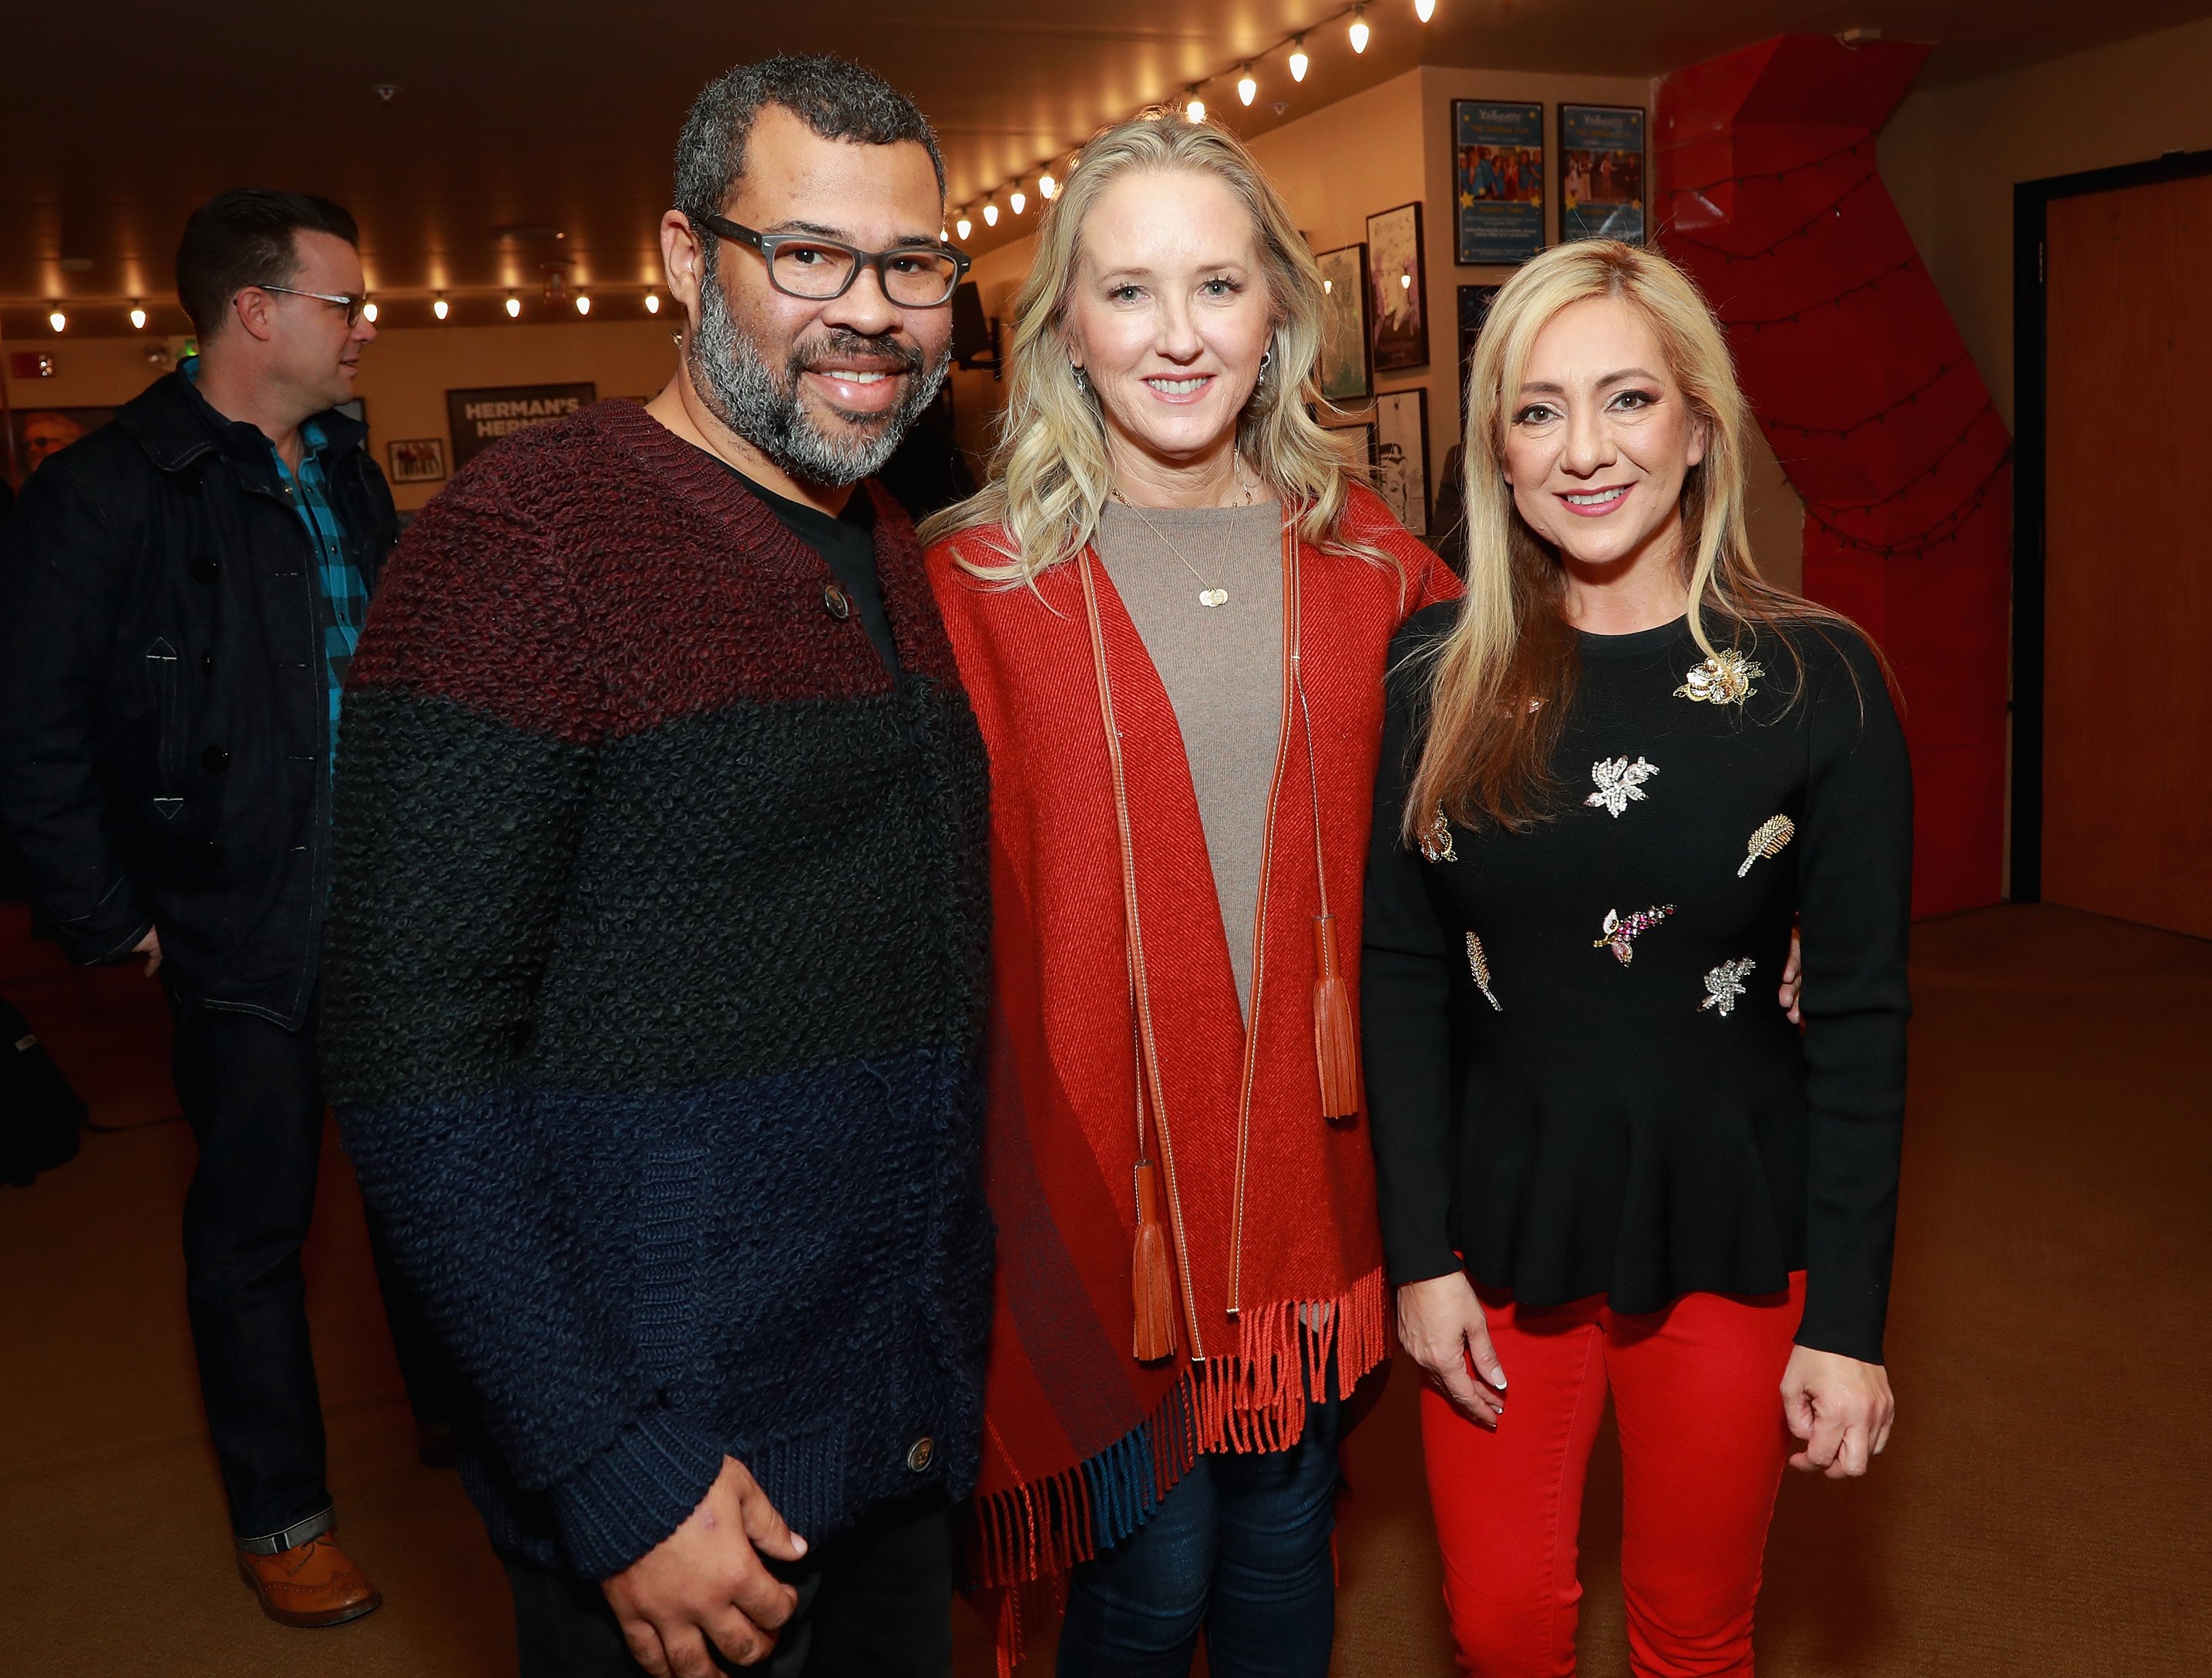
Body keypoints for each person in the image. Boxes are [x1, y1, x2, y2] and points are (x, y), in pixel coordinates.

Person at [321, 55, 992, 1678]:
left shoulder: (890, 537)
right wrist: (608, 1466)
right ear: (690, 259)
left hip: (888, 1432)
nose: (870, 311)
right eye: (810, 255)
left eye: (910, 266)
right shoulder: (522, 544)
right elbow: (410, 1051)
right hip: (683, 1478)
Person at [920, 113, 1458, 1676]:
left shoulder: (1378, 571)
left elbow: (1513, 819)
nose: (1176, 336)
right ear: (1063, 327)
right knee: (1149, 1582)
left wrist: (1743, 933)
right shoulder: (979, 585)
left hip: (1312, 1178)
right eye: (1128, 291)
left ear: (1280, 310)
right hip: (1091, 1192)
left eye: (1216, 287)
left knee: (1290, 1539)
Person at [1364, 239, 1909, 1677]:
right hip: (1495, 1231)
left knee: (1693, 1633)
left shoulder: (1818, 677)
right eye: (1539, 410)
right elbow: (1402, 975)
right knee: (1501, 1626)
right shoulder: (1435, 675)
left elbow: (1859, 1014)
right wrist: (1416, 1256)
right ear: (1497, 446)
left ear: (1698, 426)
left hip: (1733, 1226)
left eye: (1627, 399)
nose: (1585, 449)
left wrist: (1848, 1323)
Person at [0, 189, 398, 1626]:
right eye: (344, 301)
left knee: (438, 1199)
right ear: (256, 312)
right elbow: (31, 737)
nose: (366, 327)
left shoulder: (347, 472)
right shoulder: (103, 493)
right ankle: (282, 1513)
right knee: (252, 1236)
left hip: (396, 918)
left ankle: (469, 1446)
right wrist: (114, 919)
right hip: (239, 926)